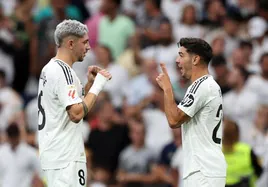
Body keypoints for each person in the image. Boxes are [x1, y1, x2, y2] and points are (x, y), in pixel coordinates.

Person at [37, 19, 112, 187]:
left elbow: (71, 105)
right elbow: (76, 113)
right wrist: (99, 84)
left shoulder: (50, 68)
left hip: (55, 154)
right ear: (71, 43)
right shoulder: (63, 71)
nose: (88, 47)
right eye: (85, 42)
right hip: (66, 157)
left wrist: (89, 85)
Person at [156, 38, 226, 187]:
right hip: (204, 169)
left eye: (181, 55)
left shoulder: (202, 85)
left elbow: (174, 120)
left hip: (203, 170)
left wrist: (168, 89)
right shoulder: (205, 85)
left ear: (195, 59)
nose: (177, 60)